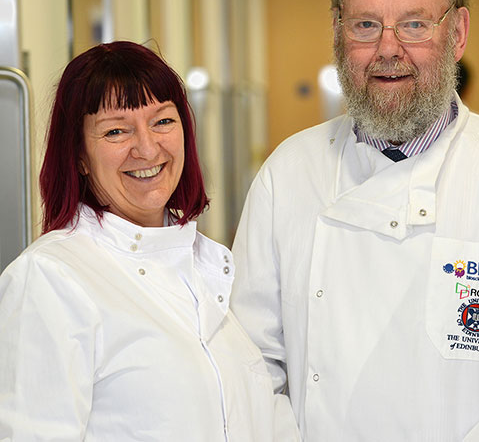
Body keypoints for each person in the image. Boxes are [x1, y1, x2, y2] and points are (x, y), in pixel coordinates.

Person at [230, 0, 479, 441]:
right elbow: (251, 365)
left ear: (458, 33)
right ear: (338, 34)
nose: (389, 49)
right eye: (366, 25)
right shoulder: (287, 174)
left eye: (414, 24)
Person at [0, 41, 299, 441]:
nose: (147, 147)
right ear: (80, 157)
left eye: (162, 121)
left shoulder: (205, 266)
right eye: (116, 131)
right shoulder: (50, 279)